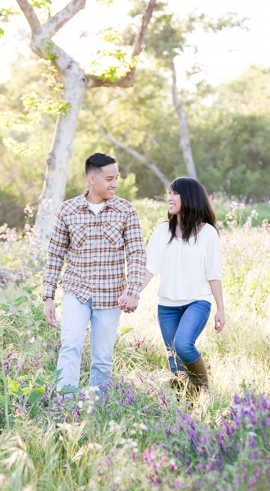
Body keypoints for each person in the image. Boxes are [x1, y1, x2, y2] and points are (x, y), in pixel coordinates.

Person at [43, 153, 146, 394]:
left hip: (110, 296)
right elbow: (55, 255)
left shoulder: (125, 210)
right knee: (70, 346)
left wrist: (133, 292)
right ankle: (65, 403)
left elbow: (137, 254)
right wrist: (49, 296)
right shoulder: (67, 210)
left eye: (116, 178)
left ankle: (96, 407)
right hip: (76, 292)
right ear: (92, 179)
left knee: (102, 357)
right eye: (109, 178)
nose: (114, 184)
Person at [138, 177, 225, 394]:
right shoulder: (161, 232)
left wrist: (220, 309)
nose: (169, 198)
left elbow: (214, 275)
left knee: (183, 345)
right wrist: (132, 293)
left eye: (175, 193)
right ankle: (184, 408)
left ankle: (204, 391)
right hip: (166, 307)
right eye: (169, 192)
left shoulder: (207, 233)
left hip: (197, 302)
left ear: (189, 197)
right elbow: (149, 269)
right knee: (175, 363)